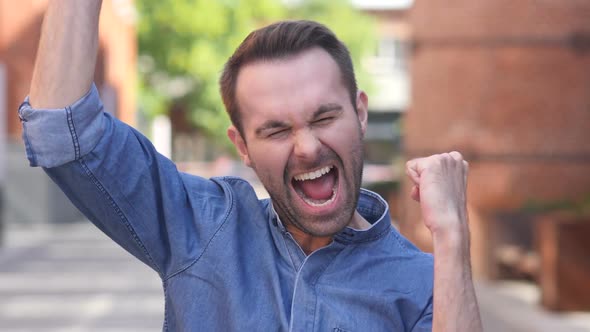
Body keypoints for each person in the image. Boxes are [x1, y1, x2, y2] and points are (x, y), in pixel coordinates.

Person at [19, 1, 482, 331]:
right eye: (276, 130)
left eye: (324, 117)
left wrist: (454, 238)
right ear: (241, 145)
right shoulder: (201, 228)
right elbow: (62, 132)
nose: (306, 147)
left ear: (360, 113)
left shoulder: (424, 284)